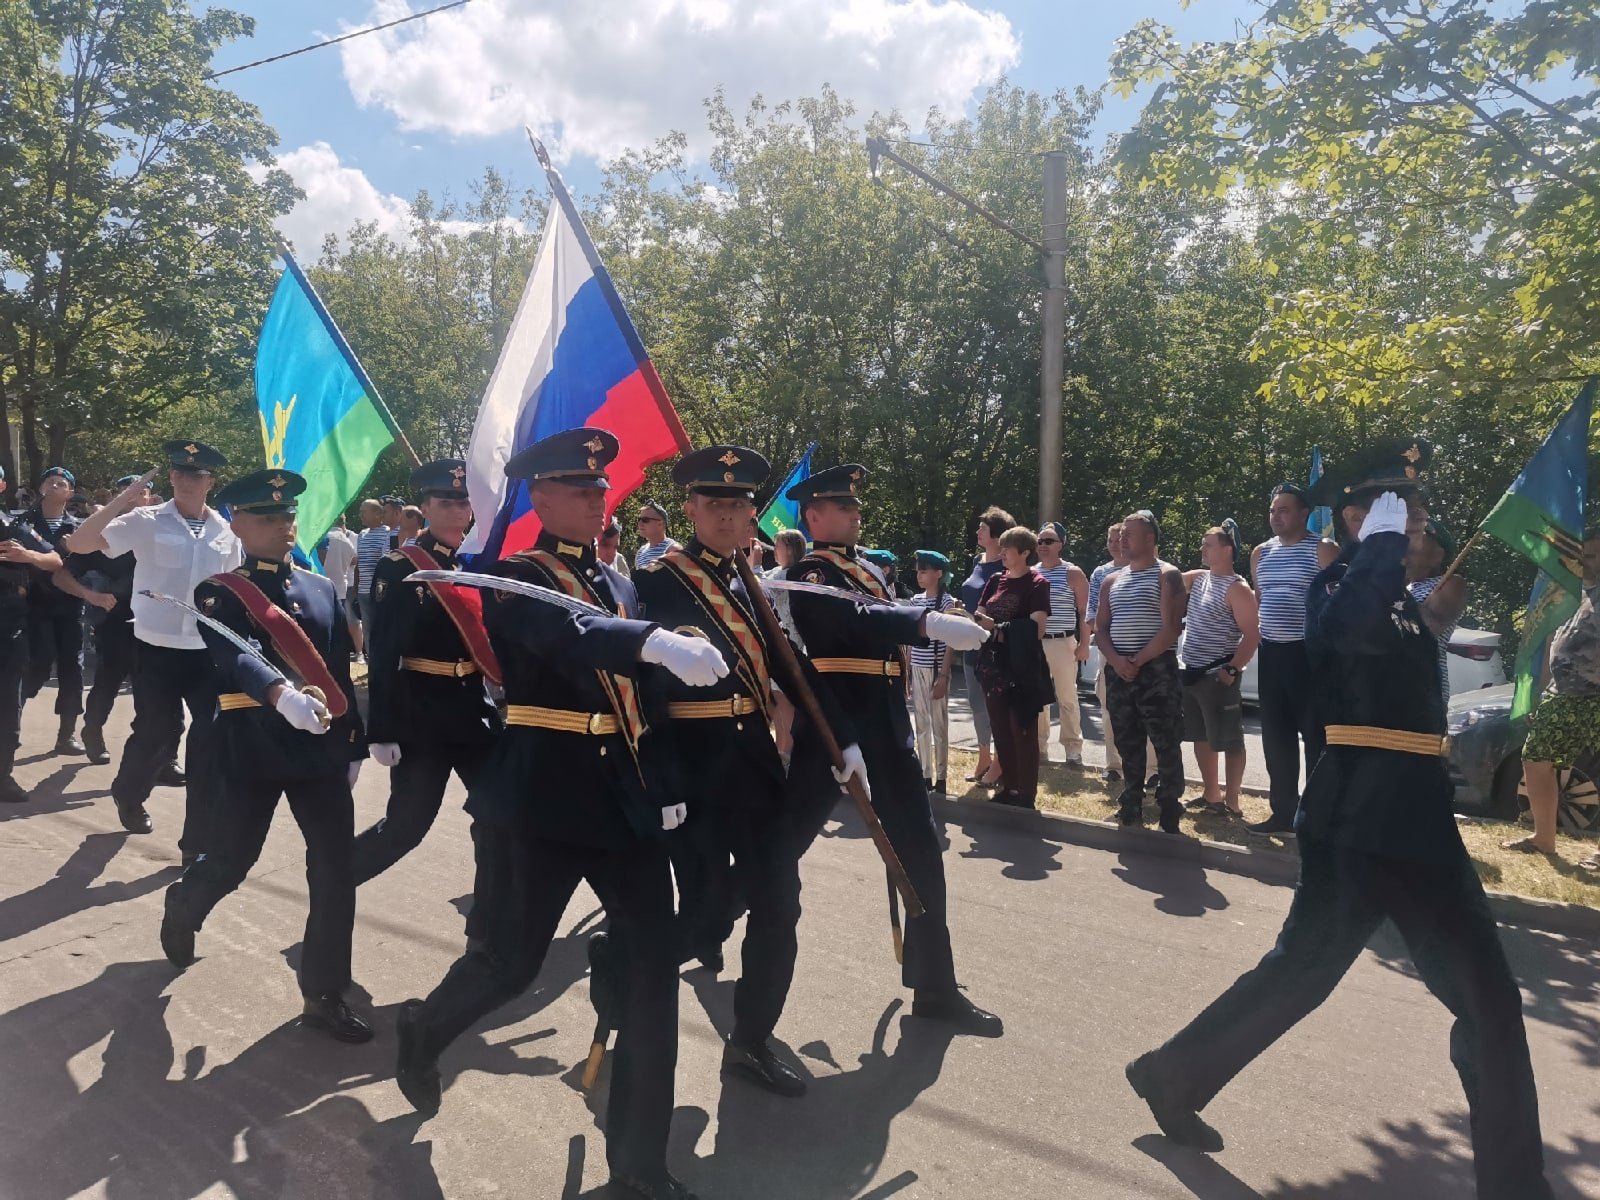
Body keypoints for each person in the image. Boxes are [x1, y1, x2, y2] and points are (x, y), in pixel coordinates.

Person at [1127, 439, 1555, 1200]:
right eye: (1402, 508)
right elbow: (1353, 624)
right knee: (1487, 1001)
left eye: (1417, 510)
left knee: (1302, 970)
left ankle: (1172, 1073)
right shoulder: (1335, 588)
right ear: (1361, 516)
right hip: (1378, 817)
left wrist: (1423, 576)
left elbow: (1408, 629)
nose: (1419, 520)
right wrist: (1381, 546)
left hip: (1388, 813)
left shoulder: (1397, 600)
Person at [393, 428, 729, 1200]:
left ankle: (641, 1166)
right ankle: (426, 1028)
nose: (596, 498)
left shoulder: (615, 580)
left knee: (653, 976)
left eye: (600, 488)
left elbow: (645, 698)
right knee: (508, 963)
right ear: (538, 498)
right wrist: (653, 641)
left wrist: (668, 780)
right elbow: (572, 636)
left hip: (624, 801)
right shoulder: (517, 579)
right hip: (541, 799)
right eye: (578, 489)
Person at [636, 444, 850, 1099]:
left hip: (753, 766)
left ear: (752, 512)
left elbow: (785, 667)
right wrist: (661, 780)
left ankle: (750, 1041)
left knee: (779, 905)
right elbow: (642, 687)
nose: (729, 515)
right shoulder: (656, 581)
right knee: (702, 918)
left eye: (739, 504)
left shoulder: (748, 580)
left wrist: (842, 739)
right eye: (715, 503)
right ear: (691, 508)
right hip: (693, 768)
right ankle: (624, 976)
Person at [784, 463, 1000, 1036]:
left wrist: (940, 619)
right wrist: (926, 623)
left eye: (855, 505)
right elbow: (855, 621)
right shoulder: (807, 571)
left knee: (922, 852)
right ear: (813, 516)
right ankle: (693, 930)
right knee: (774, 854)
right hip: (834, 730)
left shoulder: (866, 571)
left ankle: (935, 987)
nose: (855, 513)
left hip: (885, 729)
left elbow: (881, 614)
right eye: (841, 506)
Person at [157, 469, 372, 1042]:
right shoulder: (219, 592)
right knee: (233, 859)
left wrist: (353, 739)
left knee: (334, 870)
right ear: (239, 523)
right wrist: (282, 696)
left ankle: (325, 993)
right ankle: (185, 902)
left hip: (318, 752)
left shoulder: (321, 588)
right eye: (270, 517)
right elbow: (237, 658)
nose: (285, 526)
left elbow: (337, 677)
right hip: (250, 746)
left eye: (289, 516)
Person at [66, 442, 240, 856]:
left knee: (209, 738)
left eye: (195, 474)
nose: (184, 480)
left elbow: (233, 586)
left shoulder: (225, 532)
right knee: (155, 732)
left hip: (205, 649)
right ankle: (129, 792)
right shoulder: (143, 520)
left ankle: (197, 838)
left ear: (210, 482)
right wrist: (121, 502)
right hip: (155, 647)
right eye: (178, 472)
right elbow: (79, 543)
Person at [355, 460, 502, 887]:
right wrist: (381, 729)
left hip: (474, 711)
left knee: (498, 816)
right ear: (423, 507)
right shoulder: (401, 567)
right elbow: (383, 652)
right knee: (407, 827)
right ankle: (335, 884)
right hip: (422, 717)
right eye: (446, 502)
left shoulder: (472, 564)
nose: (457, 510)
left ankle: (488, 923)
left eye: (463, 502)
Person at [1503, 536, 1600, 863]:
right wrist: (1540, 693)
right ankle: (1543, 838)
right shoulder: (1573, 595)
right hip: (1562, 696)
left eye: (1594, 555)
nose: (1585, 560)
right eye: (1583, 554)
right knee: (1536, 759)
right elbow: (1552, 645)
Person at [54, 474, 161, 765]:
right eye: (127, 492)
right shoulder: (104, 536)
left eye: (141, 492)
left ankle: (163, 755)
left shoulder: (164, 532)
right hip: (118, 620)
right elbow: (62, 574)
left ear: (150, 499)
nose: (134, 497)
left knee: (156, 691)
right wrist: (91, 596)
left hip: (158, 622)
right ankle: (93, 729)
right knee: (108, 681)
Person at [1248, 482, 1334, 836]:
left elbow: (1335, 606)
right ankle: (1282, 812)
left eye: (1284, 510)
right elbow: (1260, 599)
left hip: (1308, 655)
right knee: (1276, 737)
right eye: (1272, 510)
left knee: (1315, 738)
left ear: (1304, 514)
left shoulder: (1323, 549)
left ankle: (1316, 817)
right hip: (1272, 653)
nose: (1276, 517)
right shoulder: (1261, 553)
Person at [1095, 510, 1186, 833]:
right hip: (1119, 671)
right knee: (1126, 740)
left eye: (1128, 534)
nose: (1121, 539)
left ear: (1150, 539)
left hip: (1156, 670)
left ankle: (1170, 806)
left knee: (1165, 740)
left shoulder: (1167, 575)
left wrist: (1138, 659)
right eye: (1120, 535)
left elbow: (1170, 628)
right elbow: (1101, 630)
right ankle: (1131, 802)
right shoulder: (1111, 580)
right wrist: (1118, 662)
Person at [1179, 523, 1260, 817]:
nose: (1203, 549)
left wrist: (1233, 668)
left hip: (1218, 676)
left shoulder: (1238, 589)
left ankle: (1233, 800)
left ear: (1228, 550)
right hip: (1192, 673)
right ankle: (1211, 794)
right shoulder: (1200, 578)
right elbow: (1169, 580)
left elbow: (1252, 634)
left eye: (1209, 544)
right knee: (1200, 736)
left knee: (1230, 739)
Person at [973, 527, 1053, 808]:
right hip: (992, 667)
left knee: (1022, 729)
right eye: (1002, 548)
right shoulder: (995, 580)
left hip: (1021, 669)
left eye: (1008, 549)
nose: (1002, 553)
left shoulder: (1037, 583)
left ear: (1025, 553)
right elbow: (979, 615)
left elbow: (1037, 629)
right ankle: (1010, 787)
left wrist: (995, 627)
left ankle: (1026, 795)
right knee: (1000, 729)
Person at [0, 466, 64, 803]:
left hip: (9, 631)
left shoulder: (16, 527)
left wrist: (28, 556)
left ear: (1, 485)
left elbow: (55, 559)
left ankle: (2, 775)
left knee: (8, 707)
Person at [18, 467, 86, 754]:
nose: (56, 485)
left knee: (73, 669)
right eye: (50, 481)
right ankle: (11, 723)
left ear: (70, 493)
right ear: (41, 487)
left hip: (69, 606)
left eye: (63, 482)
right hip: (34, 606)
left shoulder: (79, 527)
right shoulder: (21, 522)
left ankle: (67, 733)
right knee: (35, 666)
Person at [958, 507, 1012, 786]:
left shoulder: (1006, 566)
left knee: (997, 706)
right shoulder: (978, 561)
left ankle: (1002, 763)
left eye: (982, 528)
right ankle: (984, 757)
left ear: (996, 534)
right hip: (969, 643)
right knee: (977, 704)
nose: (977, 532)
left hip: (993, 645)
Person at [1034, 521, 1088, 767]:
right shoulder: (1031, 572)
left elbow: (1084, 611)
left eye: (1049, 541)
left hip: (1063, 642)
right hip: (1036, 644)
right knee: (1038, 699)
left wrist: (1084, 643)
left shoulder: (1073, 573)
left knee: (1067, 697)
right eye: (1040, 541)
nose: (1043, 545)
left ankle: (1073, 752)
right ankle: (1039, 749)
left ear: (1061, 544)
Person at [908, 550, 958, 793]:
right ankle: (925, 774)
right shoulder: (916, 601)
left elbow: (951, 642)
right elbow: (910, 640)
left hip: (937, 670)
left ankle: (942, 777)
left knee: (939, 726)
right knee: (921, 723)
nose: (920, 575)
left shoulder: (948, 603)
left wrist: (944, 675)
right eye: (918, 570)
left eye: (924, 570)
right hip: (918, 666)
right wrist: (907, 672)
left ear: (939, 574)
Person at [1086, 522, 1130, 783]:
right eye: (1110, 539)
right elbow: (1092, 614)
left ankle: (1152, 770)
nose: (1114, 544)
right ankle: (1114, 765)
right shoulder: (1100, 573)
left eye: (1119, 539)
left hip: (1141, 650)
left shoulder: (1150, 569)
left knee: (1143, 711)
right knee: (1109, 707)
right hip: (1108, 650)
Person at [1405, 517, 1467, 705]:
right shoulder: (1404, 587)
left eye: (1418, 540)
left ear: (1438, 555)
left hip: (1422, 692)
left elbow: (1427, 629)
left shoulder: (1451, 583)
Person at [318, 514, 360, 660]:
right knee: (340, 626)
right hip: (341, 587)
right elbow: (354, 561)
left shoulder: (323, 537)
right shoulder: (347, 541)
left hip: (322, 586)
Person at [353, 498, 392, 650]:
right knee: (367, 628)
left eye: (364, 512)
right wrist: (356, 587)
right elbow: (359, 563)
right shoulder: (362, 534)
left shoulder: (387, 533)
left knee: (381, 626)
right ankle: (371, 662)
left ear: (377, 513)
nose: (361, 516)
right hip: (363, 591)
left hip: (380, 591)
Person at [634, 499, 679, 570]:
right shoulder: (640, 553)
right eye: (639, 519)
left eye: (645, 520)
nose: (640, 524)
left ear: (660, 524)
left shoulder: (673, 548)